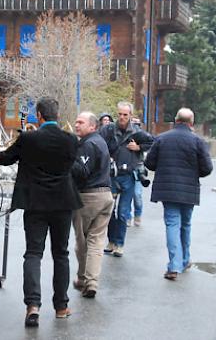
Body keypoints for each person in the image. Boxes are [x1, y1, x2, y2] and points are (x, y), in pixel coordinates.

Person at [0, 97, 81, 328]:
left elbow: (5, 159)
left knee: (33, 253)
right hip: (63, 203)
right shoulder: (71, 140)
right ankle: (61, 306)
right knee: (61, 254)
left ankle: (33, 306)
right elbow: (73, 166)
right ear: (57, 115)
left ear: (40, 115)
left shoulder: (28, 138)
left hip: (34, 204)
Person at [145, 108, 213, 281]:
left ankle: (174, 265)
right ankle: (184, 259)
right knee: (186, 224)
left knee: (172, 224)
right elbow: (207, 168)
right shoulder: (197, 141)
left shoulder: (162, 138)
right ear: (191, 123)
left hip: (167, 190)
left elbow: (150, 163)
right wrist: (194, 173)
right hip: (189, 190)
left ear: (176, 120)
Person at [99, 101, 153, 257]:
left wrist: (139, 147)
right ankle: (111, 241)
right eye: (120, 114)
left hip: (129, 177)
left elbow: (153, 142)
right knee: (109, 211)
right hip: (111, 176)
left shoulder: (136, 132)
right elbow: (96, 143)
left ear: (130, 115)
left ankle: (120, 244)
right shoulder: (108, 130)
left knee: (123, 212)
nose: (122, 117)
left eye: (125, 114)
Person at [71, 112, 114, 299]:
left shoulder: (87, 144)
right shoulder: (101, 142)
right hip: (106, 195)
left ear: (92, 126)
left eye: (81, 122)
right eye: (76, 122)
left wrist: (68, 157)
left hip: (88, 196)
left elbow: (81, 172)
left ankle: (83, 278)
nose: (76, 125)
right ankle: (92, 282)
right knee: (96, 241)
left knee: (82, 241)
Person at [128, 117, 145, 227]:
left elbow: (151, 145)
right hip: (127, 169)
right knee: (127, 194)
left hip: (138, 169)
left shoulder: (143, 136)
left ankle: (138, 214)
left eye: (137, 124)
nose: (135, 126)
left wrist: (139, 147)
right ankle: (127, 216)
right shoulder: (125, 135)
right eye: (133, 123)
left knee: (137, 194)